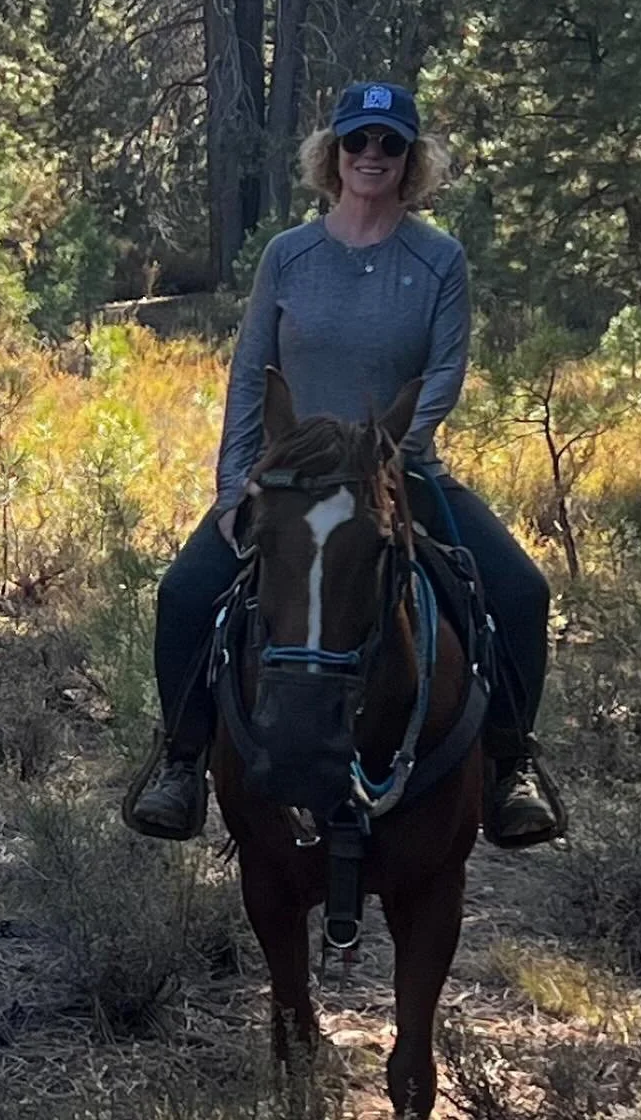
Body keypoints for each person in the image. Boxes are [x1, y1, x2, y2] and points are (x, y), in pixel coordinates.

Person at [123, 81, 560, 847]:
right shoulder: (289, 256)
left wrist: (384, 457)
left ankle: (509, 764)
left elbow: (444, 376)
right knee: (185, 595)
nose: (372, 156)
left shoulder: (437, 261)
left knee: (520, 591)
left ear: (411, 159)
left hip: (400, 471)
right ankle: (181, 760)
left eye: (390, 144)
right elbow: (251, 372)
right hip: (290, 480)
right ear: (333, 153)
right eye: (358, 141)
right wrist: (234, 487)